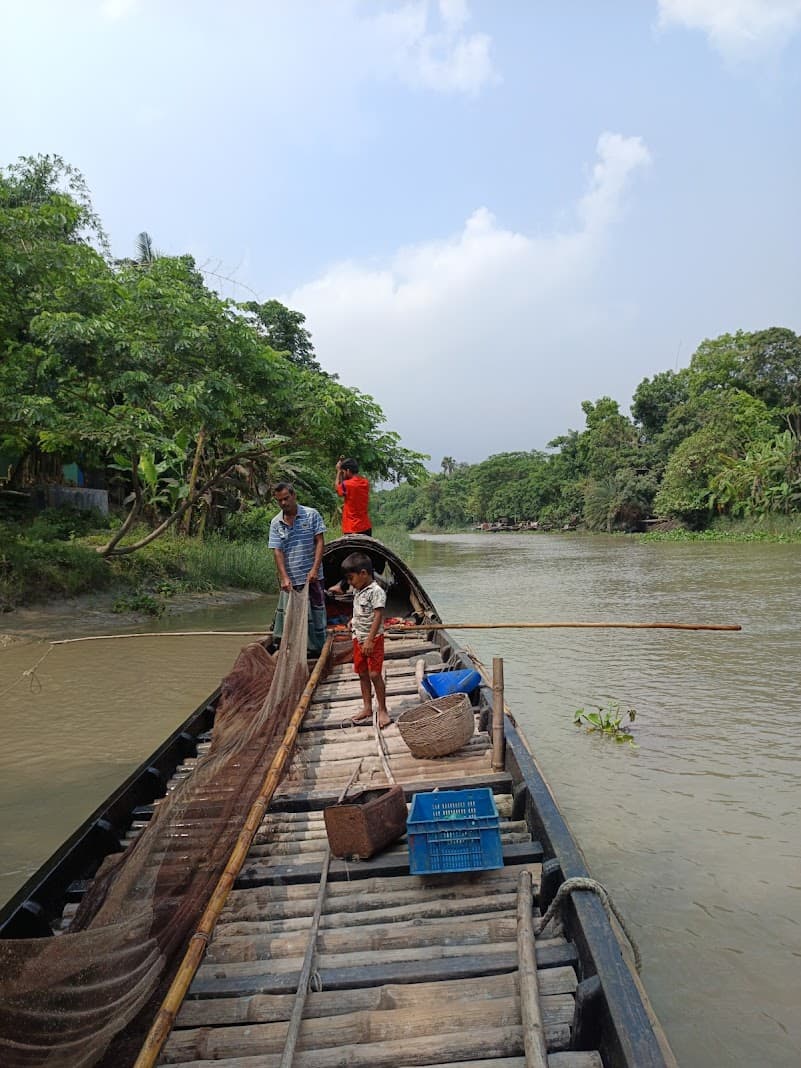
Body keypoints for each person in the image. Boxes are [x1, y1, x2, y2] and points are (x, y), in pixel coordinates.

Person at [268, 482, 327, 653]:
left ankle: (317, 648)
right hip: (291, 579)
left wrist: (315, 569)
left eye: (286, 498)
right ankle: (291, 647)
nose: (284, 503)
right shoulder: (276, 523)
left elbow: (320, 542)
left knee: (316, 613)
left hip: (312, 575)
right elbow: (277, 551)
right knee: (290, 616)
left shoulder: (311, 515)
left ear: (294, 496)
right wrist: (284, 577)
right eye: (280, 501)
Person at [341, 550, 390, 728]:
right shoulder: (358, 590)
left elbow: (378, 616)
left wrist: (370, 640)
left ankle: (383, 709)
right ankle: (367, 707)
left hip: (373, 639)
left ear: (363, 574)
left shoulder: (376, 592)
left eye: (350, 578)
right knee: (362, 673)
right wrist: (352, 621)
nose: (349, 582)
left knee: (375, 674)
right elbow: (360, 611)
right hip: (357, 638)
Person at [335, 457, 372, 535]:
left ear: (348, 470)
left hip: (351, 528)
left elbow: (338, 489)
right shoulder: (365, 483)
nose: (343, 474)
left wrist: (338, 471)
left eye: (344, 472)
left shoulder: (347, 484)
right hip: (365, 527)